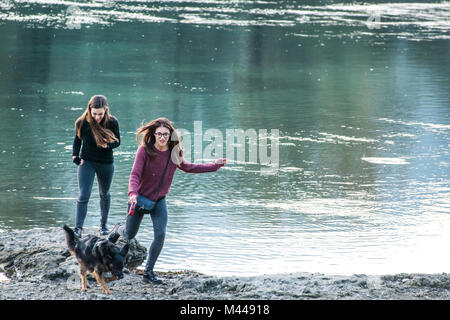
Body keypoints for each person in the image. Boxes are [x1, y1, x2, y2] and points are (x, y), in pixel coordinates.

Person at [109, 117, 226, 284]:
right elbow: (135, 174)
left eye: (165, 134)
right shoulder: (144, 150)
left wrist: (214, 165)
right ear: (154, 134)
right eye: (159, 134)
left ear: (170, 135)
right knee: (129, 233)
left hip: (159, 201)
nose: (162, 137)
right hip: (140, 199)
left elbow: (189, 167)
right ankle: (117, 229)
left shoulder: (174, 153)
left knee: (161, 234)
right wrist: (133, 193)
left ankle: (148, 272)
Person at [72, 95, 120, 238]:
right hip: (87, 163)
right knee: (83, 194)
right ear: (89, 110)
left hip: (106, 163)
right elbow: (77, 140)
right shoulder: (82, 122)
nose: (97, 117)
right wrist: (75, 156)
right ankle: (78, 228)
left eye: (100, 114)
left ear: (106, 110)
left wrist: (107, 145)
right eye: (94, 114)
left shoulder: (112, 122)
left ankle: (103, 226)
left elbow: (118, 142)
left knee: (104, 194)